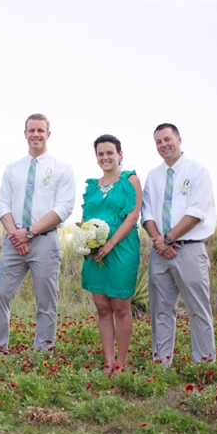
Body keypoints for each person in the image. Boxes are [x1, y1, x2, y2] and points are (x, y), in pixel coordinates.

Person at [0, 113, 76, 352]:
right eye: (31, 130)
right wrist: (16, 235)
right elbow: (2, 205)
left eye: (40, 130)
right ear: (25, 133)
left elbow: (64, 207)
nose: (35, 134)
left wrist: (30, 232)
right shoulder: (13, 168)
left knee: (46, 301)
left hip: (45, 242)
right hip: (13, 242)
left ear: (48, 134)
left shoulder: (62, 168)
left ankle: (43, 351)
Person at [141, 123, 216, 366]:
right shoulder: (153, 175)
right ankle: (161, 364)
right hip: (159, 251)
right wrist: (159, 241)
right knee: (161, 311)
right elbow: (147, 213)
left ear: (179, 139)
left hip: (189, 249)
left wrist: (169, 239)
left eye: (167, 139)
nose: (163, 145)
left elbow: (196, 212)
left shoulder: (197, 170)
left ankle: (204, 364)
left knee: (198, 310)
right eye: (158, 142)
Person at [80, 135, 141, 375]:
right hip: (96, 254)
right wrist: (88, 242)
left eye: (110, 153)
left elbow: (132, 216)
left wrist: (111, 243)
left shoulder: (129, 180)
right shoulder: (92, 186)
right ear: (96, 158)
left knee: (120, 307)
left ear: (120, 154)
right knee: (102, 307)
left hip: (122, 250)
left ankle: (121, 362)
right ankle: (107, 360)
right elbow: (85, 217)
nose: (105, 157)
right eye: (101, 154)